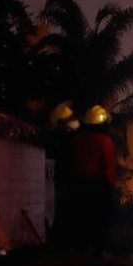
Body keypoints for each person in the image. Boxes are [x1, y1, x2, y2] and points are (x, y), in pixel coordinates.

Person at [69, 105, 117, 256]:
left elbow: (74, 163)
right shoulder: (105, 142)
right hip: (99, 186)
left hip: (80, 185)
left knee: (82, 220)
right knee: (100, 221)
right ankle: (97, 252)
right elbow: (108, 165)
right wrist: (111, 187)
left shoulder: (79, 141)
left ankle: (80, 250)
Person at [46, 101, 79, 248]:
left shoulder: (57, 136)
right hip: (64, 178)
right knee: (62, 210)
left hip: (61, 178)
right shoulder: (66, 138)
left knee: (60, 210)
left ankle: (59, 240)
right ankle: (62, 241)